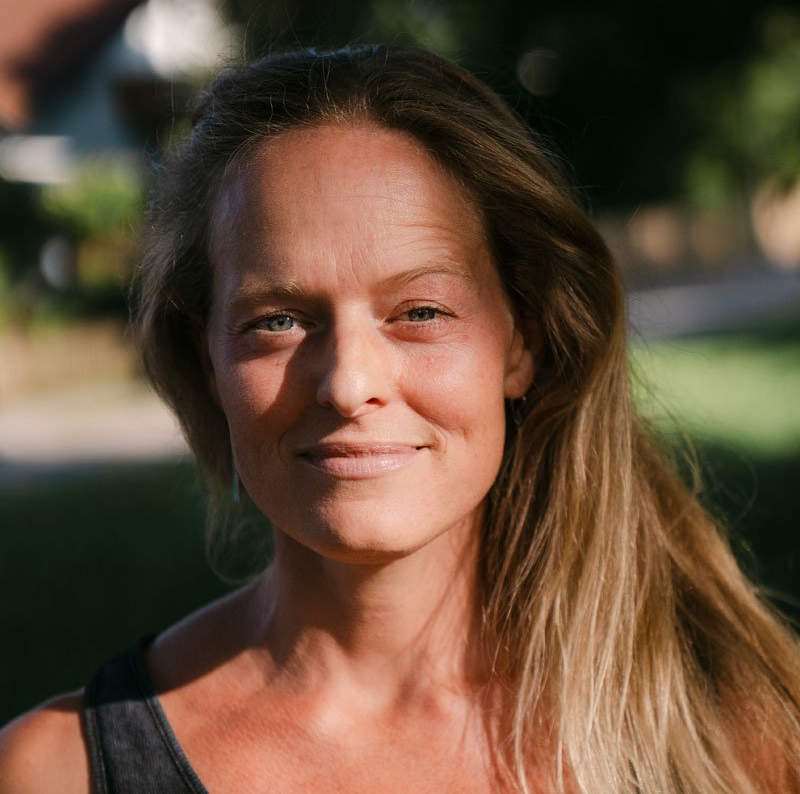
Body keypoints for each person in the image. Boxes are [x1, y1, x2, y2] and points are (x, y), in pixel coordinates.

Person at [1, 44, 798, 794]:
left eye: (420, 311)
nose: (349, 384)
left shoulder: (732, 734)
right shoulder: (53, 773)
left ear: (521, 341)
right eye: (277, 321)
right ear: (205, 358)